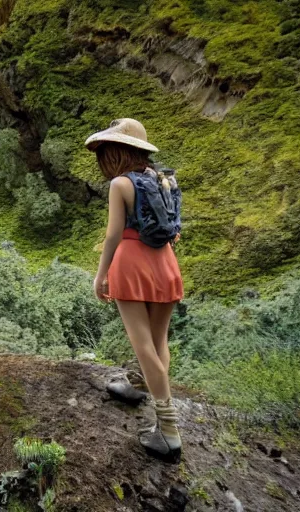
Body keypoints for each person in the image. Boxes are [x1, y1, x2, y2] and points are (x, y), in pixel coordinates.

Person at [85, 118, 184, 464]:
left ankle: (169, 432)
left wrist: (101, 275)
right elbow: (174, 231)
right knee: (158, 343)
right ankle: (140, 386)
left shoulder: (120, 184)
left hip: (131, 263)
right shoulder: (165, 179)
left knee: (144, 347)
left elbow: (113, 235)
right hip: (165, 263)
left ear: (119, 151)